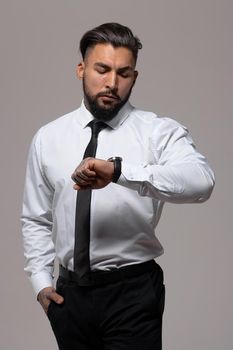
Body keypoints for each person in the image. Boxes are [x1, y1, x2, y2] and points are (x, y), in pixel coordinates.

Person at [21, 22, 215, 350]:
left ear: (134, 78)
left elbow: (201, 182)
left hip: (133, 293)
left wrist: (119, 172)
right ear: (81, 69)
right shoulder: (48, 138)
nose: (112, 83)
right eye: (102, 69)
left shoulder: (158, 133)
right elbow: (36, 217)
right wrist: (41, 282)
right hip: (69, 297)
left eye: (124, 73)